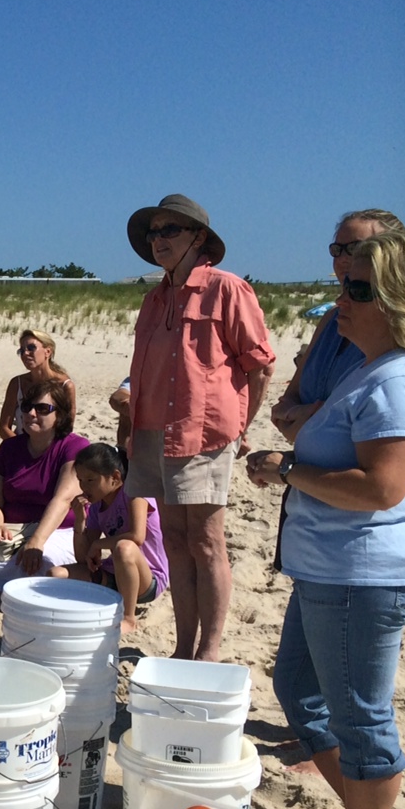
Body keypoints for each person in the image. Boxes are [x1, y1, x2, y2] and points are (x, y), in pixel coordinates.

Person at [246, 231, 405, 809]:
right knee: (297, 686)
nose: (342, 298)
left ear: (397, 299)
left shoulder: (393, 381)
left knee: (362, 718)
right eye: (341, 284)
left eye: (359, 290)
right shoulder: (369, 370)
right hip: (331, 571)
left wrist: (289, 470)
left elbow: (383, 486)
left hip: (359, 575)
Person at [125, 194, 275, 661]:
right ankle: (183, 645)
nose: (158, 240)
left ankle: (208, 650)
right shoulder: (155, 297)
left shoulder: (227, 289)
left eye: (170, 229)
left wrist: (239, 426)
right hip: (152, 430)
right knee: (174, 540)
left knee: (206, 541)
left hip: (204, 433)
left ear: (198, 237)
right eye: (154, 232)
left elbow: (260, 366)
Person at [267, 210, 405, 570]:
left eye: (356, 247)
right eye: (337, 248)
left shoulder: (393, 371)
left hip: (356, 546)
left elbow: (382, 486)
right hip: (318, 526)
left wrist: (307, 430)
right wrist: (310, 420)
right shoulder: (334, 321)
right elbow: (288, 401)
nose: (343, 258)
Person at [0, 381, 89, 578]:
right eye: (26, 407)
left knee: (38, 562)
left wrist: (37, 540)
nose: (31, 413)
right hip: (12, 529)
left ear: (60, 415)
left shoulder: (74, 447)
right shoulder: (9, 448)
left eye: (42, 409)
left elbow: (63, 500)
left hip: (59, 530)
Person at [59, 444, 169, 634]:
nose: (84, 487)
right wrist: (79, 522)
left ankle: (129, 617)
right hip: (114, 576)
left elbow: (137, 536)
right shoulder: (95, 507)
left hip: (148, 579)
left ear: (115, 477)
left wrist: (98, 543)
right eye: (81, 481)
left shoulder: (134, 493)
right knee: (56, 575)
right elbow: (83, 558)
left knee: (124, 548)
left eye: (91, 480)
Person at [0, 330, 78, 481]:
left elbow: (67, 428)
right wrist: (21, 448)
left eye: (31, 348)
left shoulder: (64, 386)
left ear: (47, 351)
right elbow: (4, 428)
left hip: (47, 451)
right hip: (19, 446)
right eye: (22, 350)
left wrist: (41, 450)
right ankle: (14, 478)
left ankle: (10, 479)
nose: (25, 354)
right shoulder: (17, 383)